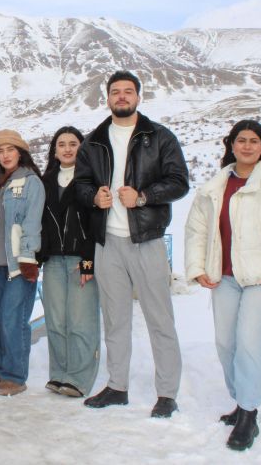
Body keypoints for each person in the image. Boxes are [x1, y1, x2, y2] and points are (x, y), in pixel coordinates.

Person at [184, 120, 261, 450]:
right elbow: (196, 230)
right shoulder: (213, 188)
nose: (247, 146)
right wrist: (197, 267)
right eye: (241, 140)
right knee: (226, 343)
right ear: (231, 145)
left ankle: (249, 414)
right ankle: (241, 399)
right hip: (223, 277)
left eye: (254, 141)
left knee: (251, 342)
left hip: (260, 280)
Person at [74, 70, 189, 417]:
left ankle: (167, 393)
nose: (121, 96)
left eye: (128, 91)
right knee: (115, 319)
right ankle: (117, 386)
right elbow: (80, 185)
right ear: (107, 98)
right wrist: (94, 197)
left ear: (138, 96)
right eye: (115, 92)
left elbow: (179, 182)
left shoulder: (160, 137)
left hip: (146, 240)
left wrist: (142, 197)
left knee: (160, 319)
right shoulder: (93, 141)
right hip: (107, 243)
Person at [38, 126, 99, 398]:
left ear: (82, 148)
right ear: (54, 150)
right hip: (52, 260)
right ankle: (59, 373)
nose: (67, 149)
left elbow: (97, 223)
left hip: (80, 260)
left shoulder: (91, 181)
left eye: (73, 143)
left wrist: (89, 261)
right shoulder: (45, 182)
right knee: (56, 320)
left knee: (80, 321)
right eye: (61, 144)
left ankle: (78, 378)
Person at [0, 130, 45, 397]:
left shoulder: (31, 182)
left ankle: (15, 376)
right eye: (0, 151)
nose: (5, 155)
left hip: (18, 263)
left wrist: (28, 258)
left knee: (14, 320)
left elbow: (32, 222)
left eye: (10, 149)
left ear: (20, 153)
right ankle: (0, 371)